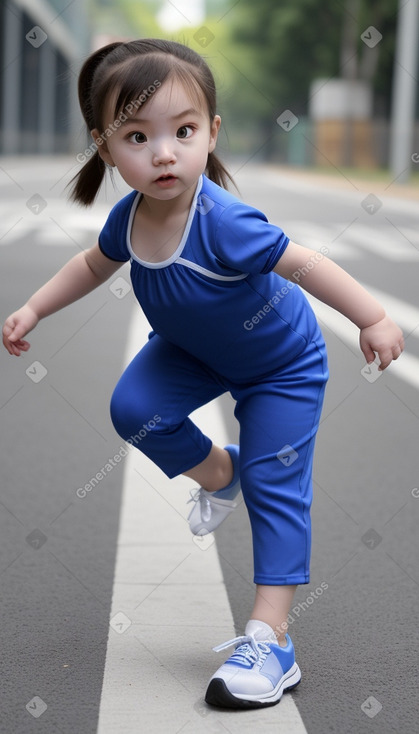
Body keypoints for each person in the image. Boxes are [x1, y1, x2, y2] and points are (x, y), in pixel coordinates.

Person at [2, 39, 404, 710]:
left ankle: (269, 639)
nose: (164, 152)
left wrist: (372, 316)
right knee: (133, 407)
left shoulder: (224, 223)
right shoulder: (127, 219)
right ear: (104, 148)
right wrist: (34, 307)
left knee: (275, 487)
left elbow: (304, 264)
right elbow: (92, 267)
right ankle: (219, 471)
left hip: (281, 366)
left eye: (182, 131)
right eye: (138, 135)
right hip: (191, 352)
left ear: (210, 132)